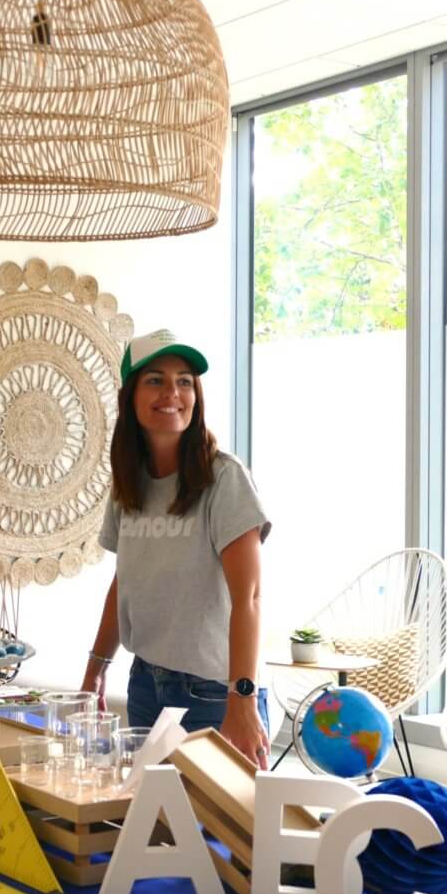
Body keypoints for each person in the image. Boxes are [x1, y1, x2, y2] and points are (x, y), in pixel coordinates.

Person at [80, 329, 272, 768]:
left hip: (213, 691)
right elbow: (124, 582)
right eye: (156, 380)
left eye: (184, 381)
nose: (173, 393)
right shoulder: (128, 482)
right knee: (156, 827)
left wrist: (241, 698)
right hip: (146, 682)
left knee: (225, 832)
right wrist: (96, 669)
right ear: (130, 396)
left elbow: (250, 598)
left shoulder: (224, 478)